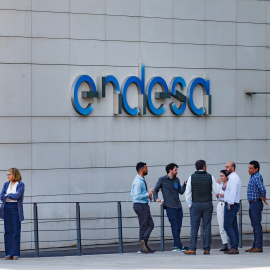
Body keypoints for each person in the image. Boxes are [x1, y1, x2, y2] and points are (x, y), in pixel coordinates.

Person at [184, 160, 218, 255]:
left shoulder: (191, 177)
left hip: (196, 204)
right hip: (207, 203)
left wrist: (190, 204)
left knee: (194, 227)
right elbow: (216, 191)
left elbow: (188, 193)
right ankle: (206, 249)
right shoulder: (210, 177)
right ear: (204, 167)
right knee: (207, 227)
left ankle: (192, 248)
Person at [153, 163, 187, 252]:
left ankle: (176, 246)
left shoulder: (177, 180)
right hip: (170, 207)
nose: (177, 171)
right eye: (175, 170)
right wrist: (156, 198)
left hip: (179, 206)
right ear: (170, 170)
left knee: (178, 227)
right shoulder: (162, 179)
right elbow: (155, 190)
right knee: (174, 227)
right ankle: (180, 246)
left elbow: (181, 191)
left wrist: (185, 184)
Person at [0, 168, 25, 260]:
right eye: (7, 174)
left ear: (14, 175)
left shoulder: (20, 184)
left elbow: (18, 196)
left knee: (15, 231)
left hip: (15, 209)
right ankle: (8, 253)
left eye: (9, 174)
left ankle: (15, 253)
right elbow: (1, 196)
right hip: (6, 208)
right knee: (7, 231)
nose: (7, 176)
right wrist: (10, 196)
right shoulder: (6, 184)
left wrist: (8, 195)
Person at [131, 162, 155, 253]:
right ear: (141, 170)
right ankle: (143, 244)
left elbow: (140, 194)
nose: (147, 169)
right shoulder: (138, 181)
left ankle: (144, 245)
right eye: (146, 168)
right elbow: (137, 196)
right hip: (140, 205)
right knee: (144, 226)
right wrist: (147, 194)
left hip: (142, 205)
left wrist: (148, 193)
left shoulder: (141, 180)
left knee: (149, 225)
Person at [245, 160, 268, 253]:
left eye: (251, 168)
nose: (249, 170)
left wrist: (263, 197)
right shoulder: (253, 176)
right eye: (248, 168)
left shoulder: (257, 176)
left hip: (256, 203)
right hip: (252, 203)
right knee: (254, 225)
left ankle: (258, 246)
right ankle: (255, 245)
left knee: (256, 225)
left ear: (256, 169)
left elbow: (262, 188)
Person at [223, 161, 242, 255]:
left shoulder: (233, 178)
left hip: (232, 204)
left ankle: (234, 247)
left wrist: (229, 204)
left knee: (226, 225)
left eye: (227, 167)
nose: (226, 168)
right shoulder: (231, 178)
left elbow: (233, 192)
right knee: (233, 227)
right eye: (225, 167)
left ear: (232, 168)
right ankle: (234, 246)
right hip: (232, 204)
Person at [216, 170, 229, 251]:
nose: (221, 177)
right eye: (220, 176)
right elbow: (218, 198)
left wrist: (223, 195)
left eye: (222, 176)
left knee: (228, 225)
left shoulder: (229, 185)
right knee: (221, 225)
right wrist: (218, 195)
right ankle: (225, 244)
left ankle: (233, 243)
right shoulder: (220, 186)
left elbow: (230, 195)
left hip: (226, 204)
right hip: (220, 204)